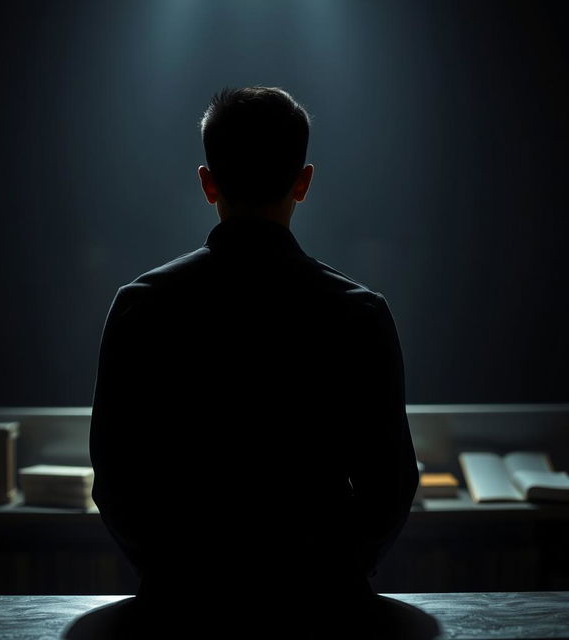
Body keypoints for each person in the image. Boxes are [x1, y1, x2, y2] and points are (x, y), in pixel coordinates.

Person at [90, 86, 418, 638]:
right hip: (321, 611)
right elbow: (390, 484)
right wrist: (330, 579)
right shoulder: (357, 313)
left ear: (207, 182)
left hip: (182, 609)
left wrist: (175, 578)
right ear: (304, 181)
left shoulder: (141, 305)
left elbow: (117, 479)